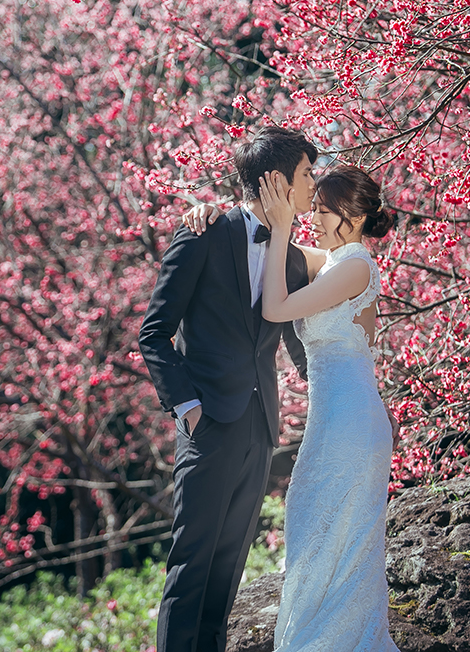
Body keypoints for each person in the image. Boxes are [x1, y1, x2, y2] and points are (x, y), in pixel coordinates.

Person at [183, 163, 400, 651]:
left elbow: (276, 308)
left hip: (350, 422)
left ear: (357, 214)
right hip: (338, 418)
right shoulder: (333, 260)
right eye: (316, 209)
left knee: (334, 534)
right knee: (317, 528)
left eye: (326, 211)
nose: (315, 218)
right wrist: (213, 214)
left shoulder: (356, 266)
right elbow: (253, 243)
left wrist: (282, 229)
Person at [139, 126, 319, 652]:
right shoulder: (204, 233)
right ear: (276, 181)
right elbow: (154, 332)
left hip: (262, 427)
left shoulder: (292, 256)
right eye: (307, 174)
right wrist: (187, 405)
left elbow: (299, 344)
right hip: (208, 422)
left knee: (229, 569)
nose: (313, 184)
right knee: (192, 564)